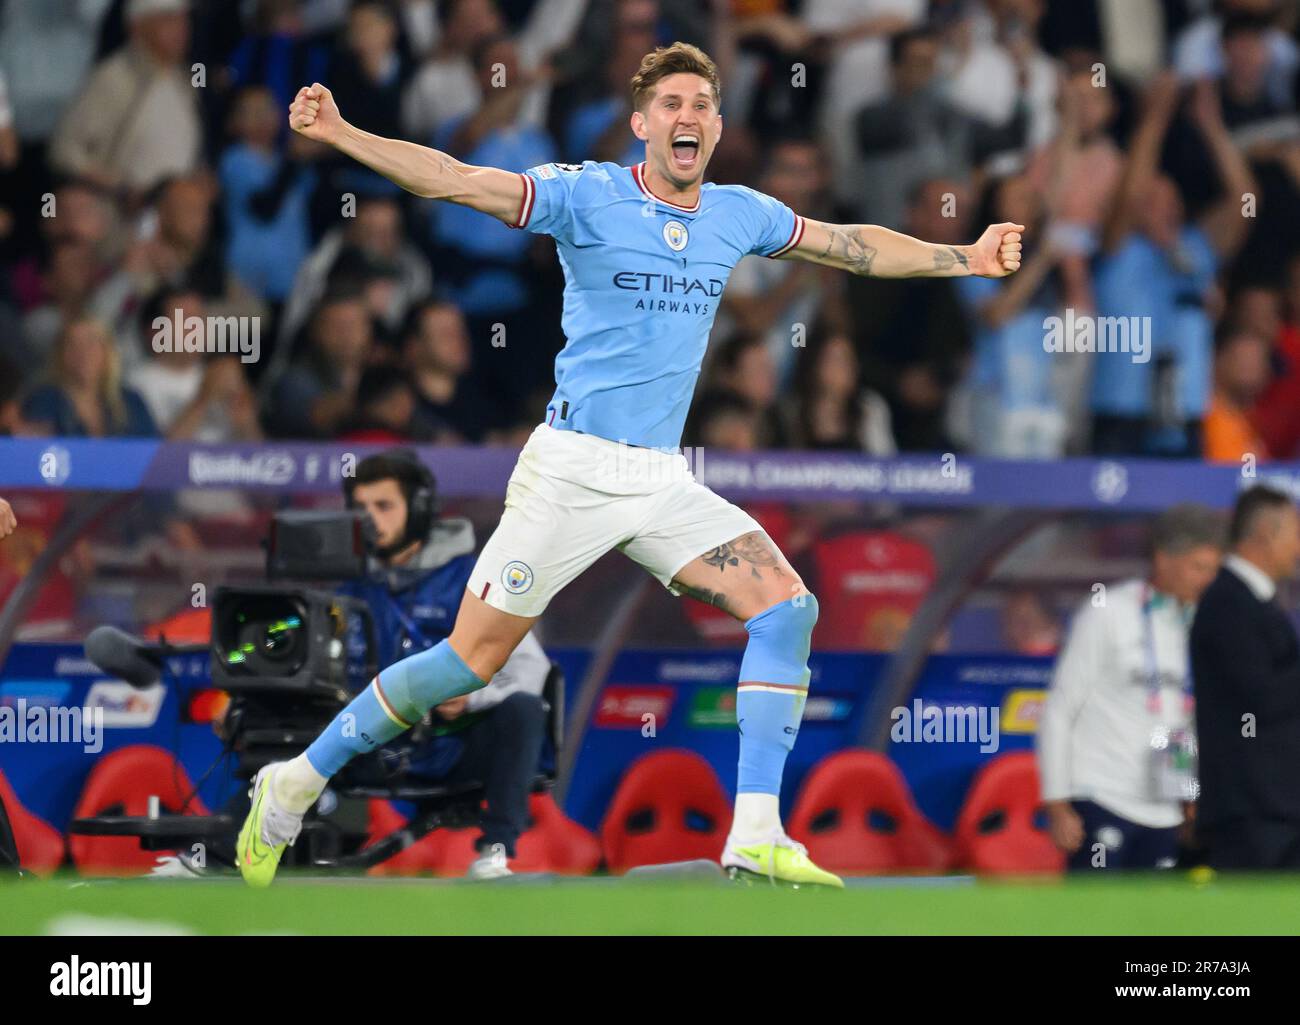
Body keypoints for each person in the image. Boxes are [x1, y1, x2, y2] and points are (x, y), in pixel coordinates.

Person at [236, 41, 1024, 889]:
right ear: (643, 123)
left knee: (788, 607)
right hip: (571, 469)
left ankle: (756, 831)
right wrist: (346, 132)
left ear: (718, 127)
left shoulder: (737, 212)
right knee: (470, 662)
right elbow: (454, 177)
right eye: (672, 105)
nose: (688, 117)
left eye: (702, 106)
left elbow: (847, 245)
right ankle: (295, 779)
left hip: (661, 480)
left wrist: (965, 258)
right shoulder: (587, 194)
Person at [341, 451, 552, 879]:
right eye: (360, 509)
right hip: (366, 746)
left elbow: (530, 668)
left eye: (382, 507)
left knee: (523, 709)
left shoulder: (475, 579)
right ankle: (223, 849)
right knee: (278, 727)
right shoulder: (347, 586)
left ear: (417, 510)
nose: (369, 520)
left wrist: (473, 693)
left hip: (454, 747)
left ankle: (496, 852)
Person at [1039, 504, 1224, 870]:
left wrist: (1185, 801)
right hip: (1102, 797)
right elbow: (1061, 708)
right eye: (1197, 567)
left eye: (1213, 571)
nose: (1206, 580)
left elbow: (1179, 721)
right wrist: (1058, 804)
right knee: (1091, 924)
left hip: (1162, 812)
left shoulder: (1197, 625)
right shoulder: (1108, 610)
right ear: (1163, 559)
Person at [1190, 485, 1300, 869]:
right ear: (1266, 534)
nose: (1299, 547)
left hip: (1277, 810)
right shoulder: (1226, 603)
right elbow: (1260, 699)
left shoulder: (1257, 602)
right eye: (1295, 532)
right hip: (1250, 811)